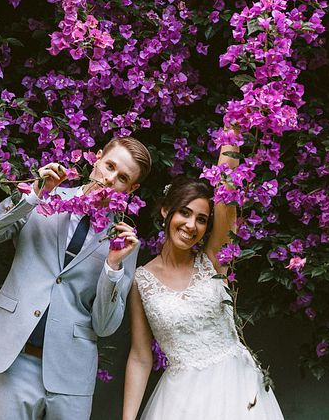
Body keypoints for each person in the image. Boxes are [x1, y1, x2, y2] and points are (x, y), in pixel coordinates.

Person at [0, 136, 151, 420]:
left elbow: (105, 326)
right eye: (109, 166)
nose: (110, 179)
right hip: (15, 358)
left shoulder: (122, 241)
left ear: (132, 188)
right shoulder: (46, 198)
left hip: (72, 371)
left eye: (123, 177)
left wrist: (113, 267)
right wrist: (33, 195)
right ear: (96, 158)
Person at [122, 138, 284, 419]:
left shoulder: (212, 261)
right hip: (180, 401)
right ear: (165, 211)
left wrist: (232, 131)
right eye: (184, 213)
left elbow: (226, 195)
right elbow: (140, 356)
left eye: (201, 219)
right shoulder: (141, 280)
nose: (190, 225)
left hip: (237, 390)